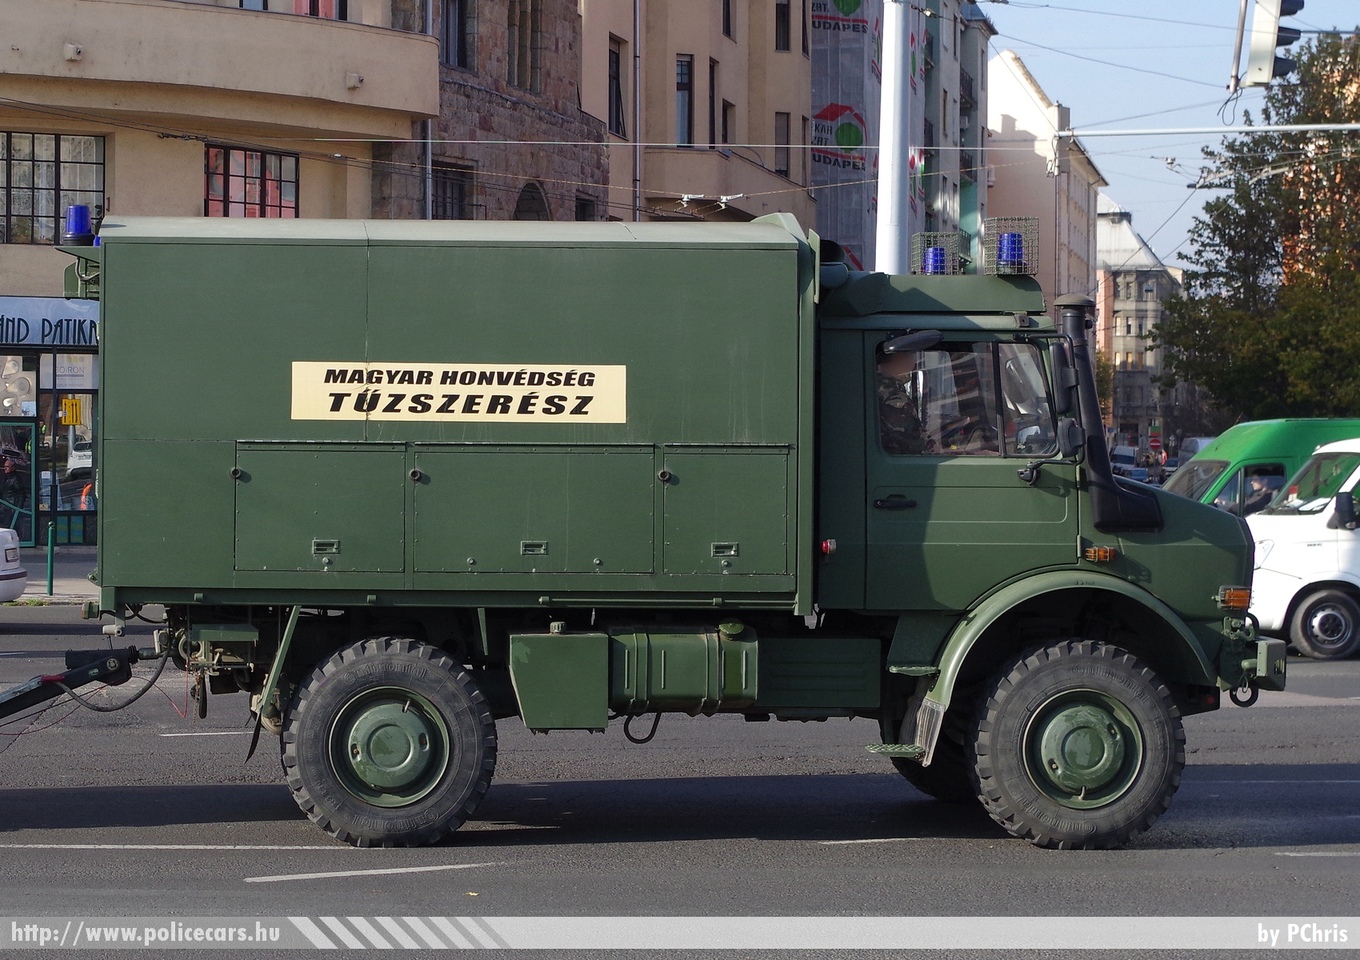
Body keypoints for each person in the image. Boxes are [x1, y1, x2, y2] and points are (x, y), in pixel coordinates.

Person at [877, 351, 934, 455]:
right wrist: (941, 450)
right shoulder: (894, 397)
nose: (913, 365)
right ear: (900, 357)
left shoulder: (875, 385)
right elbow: (917, 446)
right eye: (912, 357)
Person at [0, 457, 29, 539]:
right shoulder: (6, 477)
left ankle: (17, 539)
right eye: (4, 466)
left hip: (11, 507)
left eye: (7, 466)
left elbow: (22, 494)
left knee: (10, 526)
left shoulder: (15, 479)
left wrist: (17, 508)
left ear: (13, 468)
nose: (5, 468)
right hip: (5, 505)